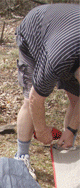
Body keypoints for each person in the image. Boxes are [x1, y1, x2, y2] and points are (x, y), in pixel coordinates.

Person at [15, 3, 80, 177]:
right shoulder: (57, 59)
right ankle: (21, 156)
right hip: (35, 32)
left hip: (65, 32)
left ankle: (66, 146)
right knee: (29, 98)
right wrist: (42, 130)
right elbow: (36, 99)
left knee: (76, 98)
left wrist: (71, 130)